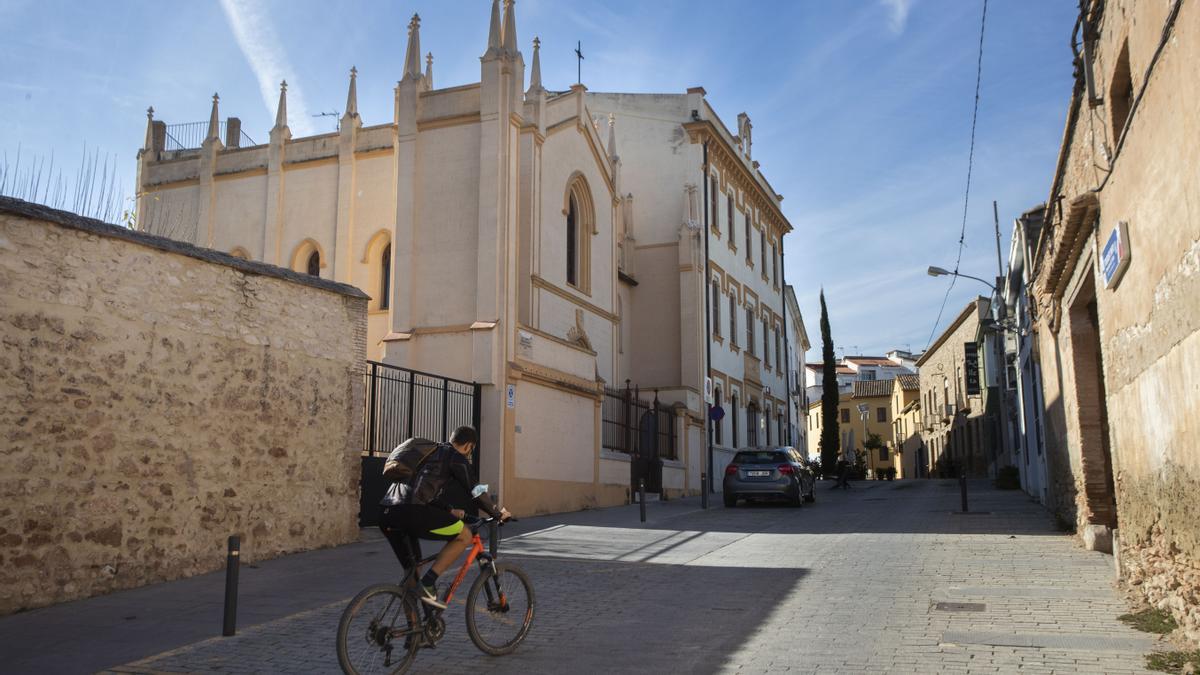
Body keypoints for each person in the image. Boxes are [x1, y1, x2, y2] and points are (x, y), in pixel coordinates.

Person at [379, 426, 510, 609]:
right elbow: (476, 489)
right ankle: (429, 583)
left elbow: (422, 491)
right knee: (465, 535)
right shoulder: (455, 457)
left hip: (387, 513)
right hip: (412, 512)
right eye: (470, 450)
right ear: (469, 446)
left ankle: (414, 632)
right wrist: (497, 513)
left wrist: (449, 510)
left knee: (413, 571)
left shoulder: (429, 454)